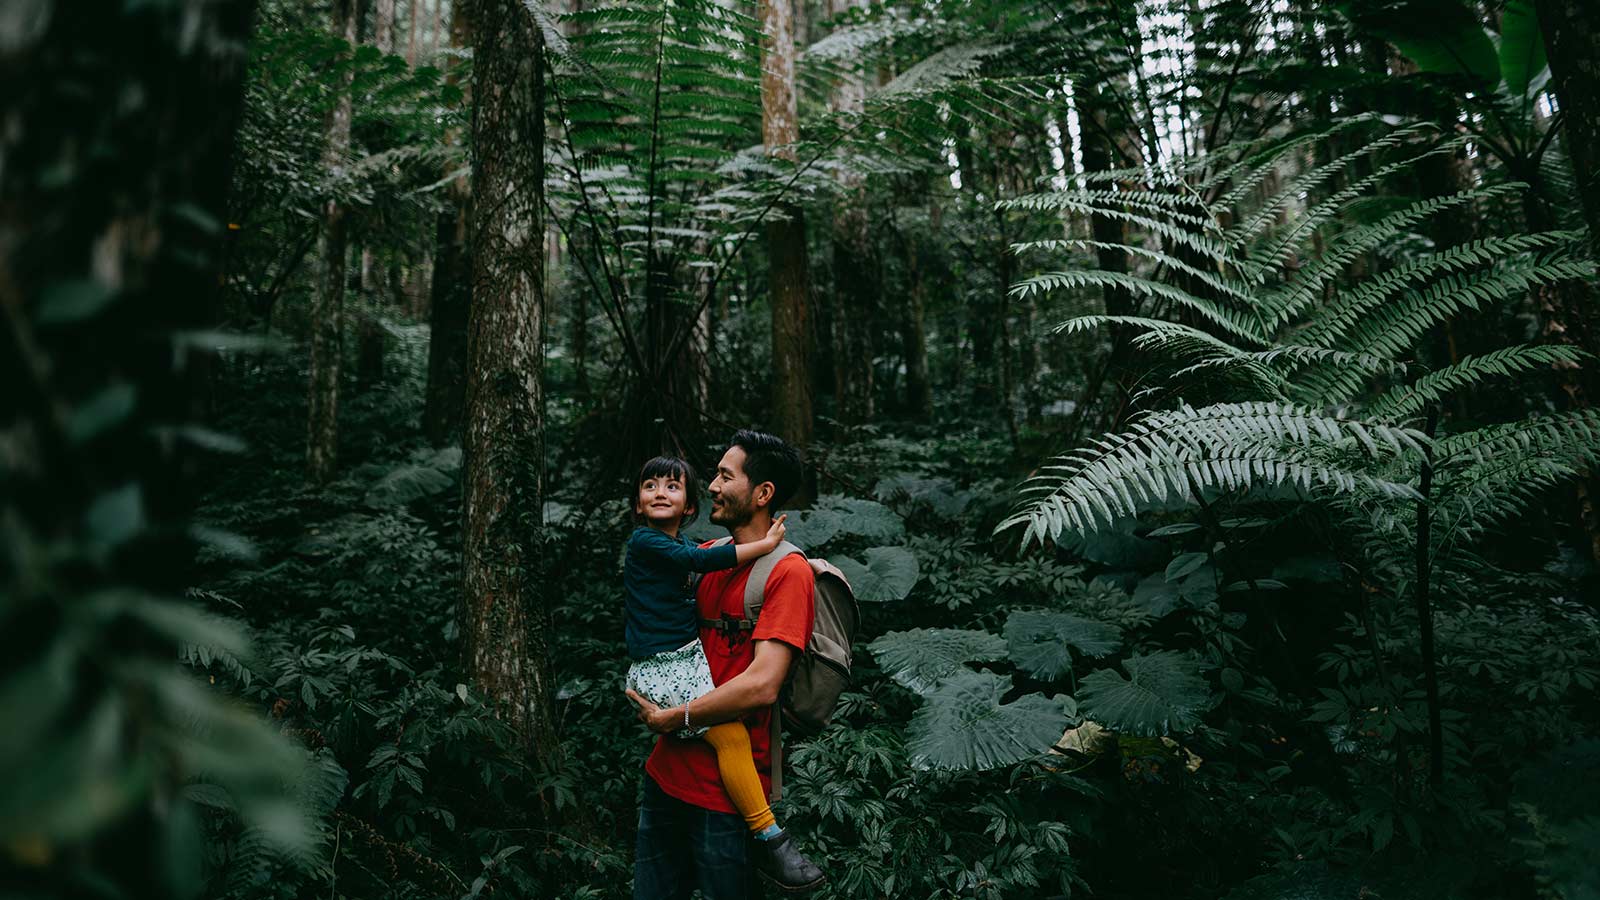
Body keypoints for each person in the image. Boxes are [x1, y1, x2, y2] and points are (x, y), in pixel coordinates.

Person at [626, 430, 826, 898]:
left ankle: (772, 838)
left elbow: (762, 686)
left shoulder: (787, 573)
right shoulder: (708, 558)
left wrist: (675, 716)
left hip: (724, 795)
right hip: (667, 775)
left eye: (724, 476)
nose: (712, 486)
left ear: (762, 494)